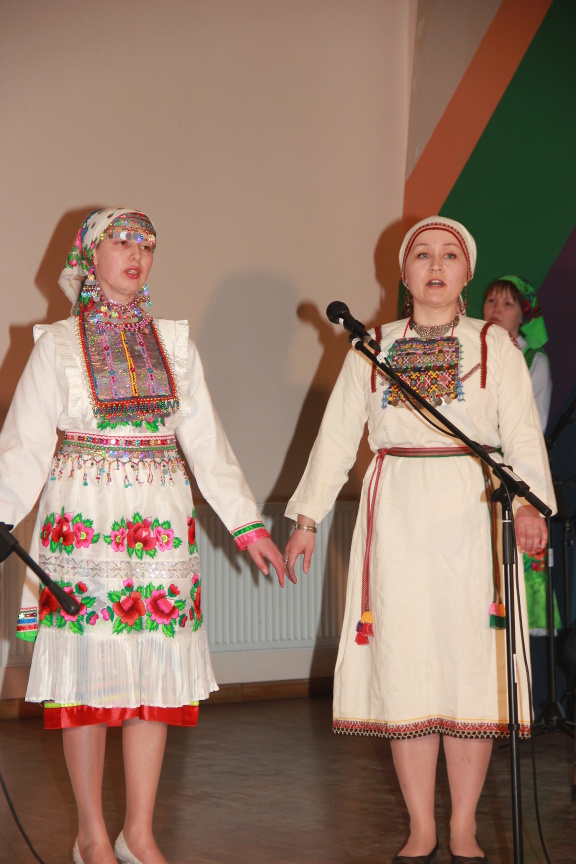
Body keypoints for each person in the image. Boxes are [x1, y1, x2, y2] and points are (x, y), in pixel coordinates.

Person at [0, 208, 289, 864]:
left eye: (148, 244)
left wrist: (247, 527)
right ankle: (90, 837)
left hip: (158, 525)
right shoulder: (57, 346)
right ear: (89, 256)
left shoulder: (176, 345)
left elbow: (208, 443)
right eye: (122, 241)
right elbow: (23, 446)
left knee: (154, 678)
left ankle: (139, 833)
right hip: (83, 525)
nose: (137, 253)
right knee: (86, 682)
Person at [283, 217, 555, 864]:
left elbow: (522, 435)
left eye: (450, 254)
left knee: (470, 669)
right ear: (403, 273)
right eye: (423, 255)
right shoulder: (370, 346)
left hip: (474, 514)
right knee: (405, 665)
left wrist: (531, 506)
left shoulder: (495, 345)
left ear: (467, 272)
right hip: (398, 515)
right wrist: (307, 519)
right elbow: (336, 439)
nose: (436, 265)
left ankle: (462, 826)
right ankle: (420, 827)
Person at [482, 276, 559, 637]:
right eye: (491, 300)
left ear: (523, 315)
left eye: (507, 304)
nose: (496, 309)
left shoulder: (533, 360)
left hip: (513, 469)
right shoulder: (473, 351)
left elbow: (535, 423)